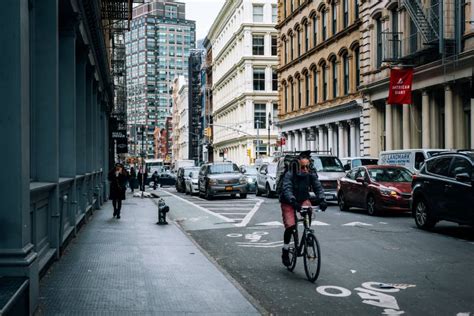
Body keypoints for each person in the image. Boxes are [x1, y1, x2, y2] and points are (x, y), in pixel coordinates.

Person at [279, 152, 327, 266]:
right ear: (297, 165)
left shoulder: (310, 172)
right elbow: (286, 188)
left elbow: (317, 186)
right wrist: (292, 201)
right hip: (288, 201)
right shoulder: (290, 173)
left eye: (307, 166)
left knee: (308, 211)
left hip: (303, 199)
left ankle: (307, 233)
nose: (305, 169)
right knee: (290, 226)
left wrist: (322, 199)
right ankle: (285, 250)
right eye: (302, 167)